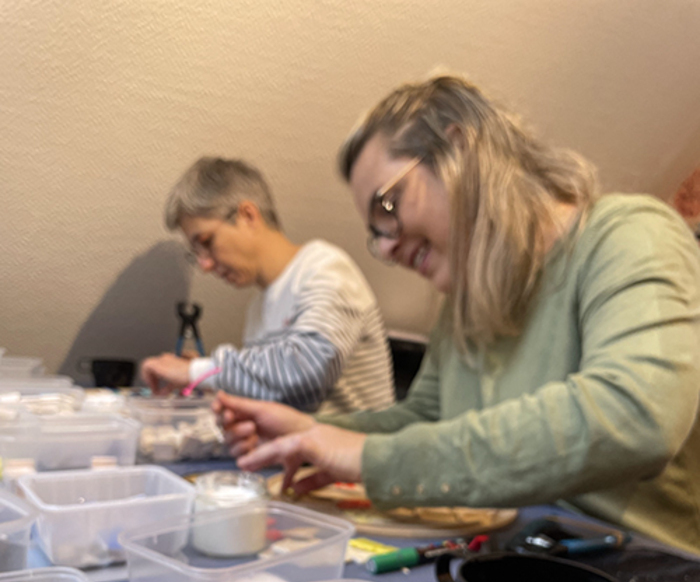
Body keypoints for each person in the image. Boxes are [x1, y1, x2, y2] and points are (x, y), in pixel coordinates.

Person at [214, 74, 700, 554]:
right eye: (375, 232)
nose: (386, 247)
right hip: (513, 562)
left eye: (388, 205)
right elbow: (428, 419)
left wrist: (366, 456)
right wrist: (315, 434)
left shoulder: (630, 235)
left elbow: (638, 418)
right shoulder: (465, 298)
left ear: (460, 151)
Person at [139, 157, 395, 416]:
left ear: (248, 216)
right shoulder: (258, 309)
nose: (204, 265)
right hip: (301, 452)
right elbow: (276, 395)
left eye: (206, 241)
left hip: (351, 453)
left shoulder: (325, 268)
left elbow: (304, 371)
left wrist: (198, 371)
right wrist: (211, 380)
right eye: (196, 253)